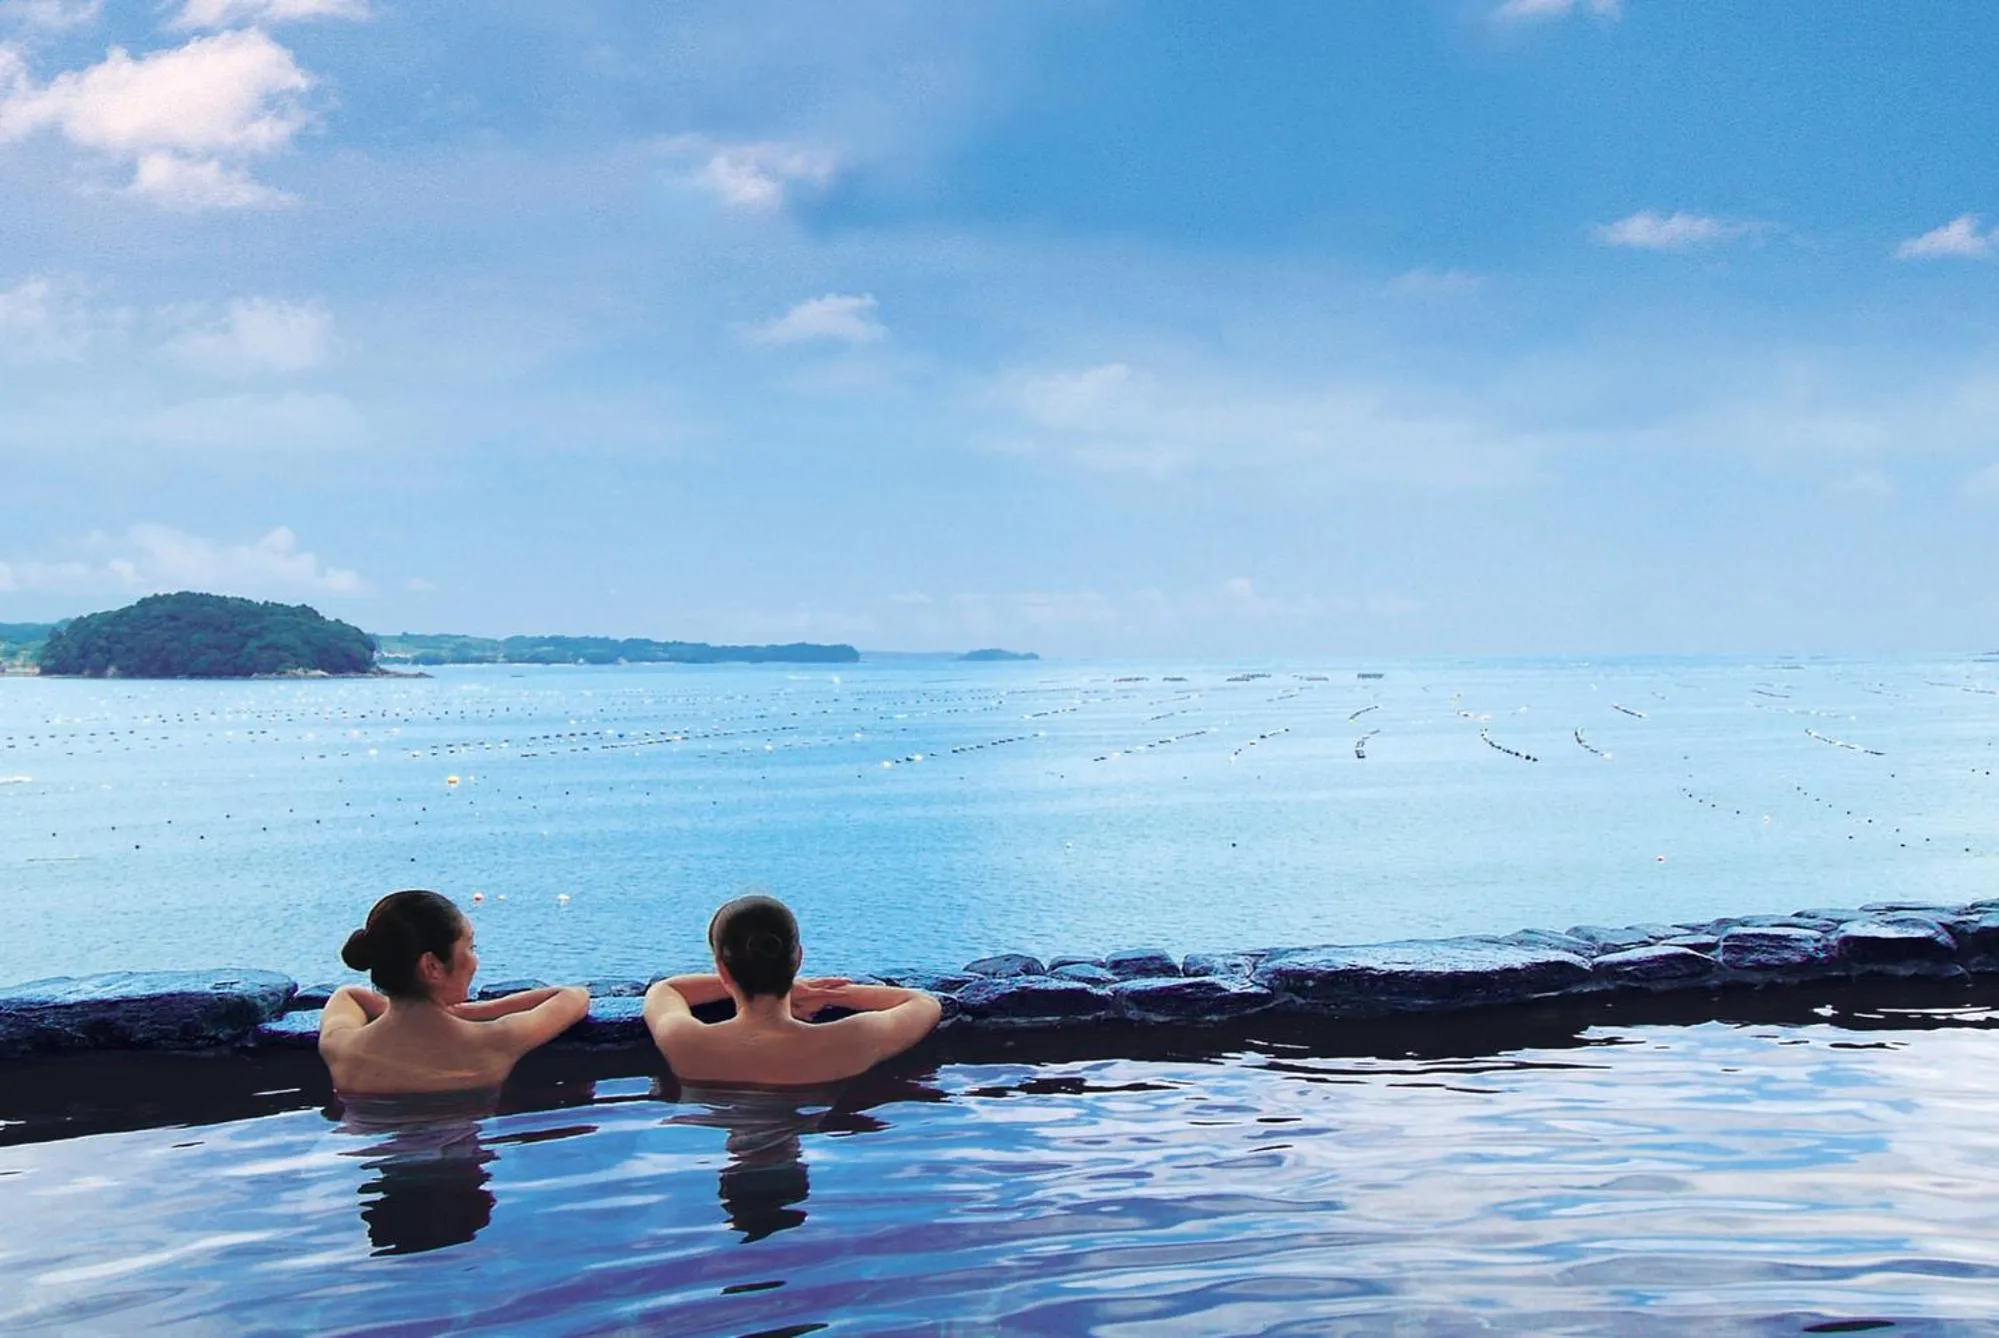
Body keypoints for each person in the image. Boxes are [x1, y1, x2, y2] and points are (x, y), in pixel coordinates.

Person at [645, 894, 941, 1086]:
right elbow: (923, 1003)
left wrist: (787, 986)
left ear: (722, 969)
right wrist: (830, 994)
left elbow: (666, 989)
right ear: (798, 959)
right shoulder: (853, 1039)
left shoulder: (684, 1041)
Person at [320, 889, 590, 1094]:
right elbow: (574, 997)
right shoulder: (495, 1040)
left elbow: (348, 995)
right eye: (470, 948)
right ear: (432, 966)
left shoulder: (341, 1047)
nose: (475, 961)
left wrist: (415, 1008)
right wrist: (475, 1012)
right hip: (458, 1167)